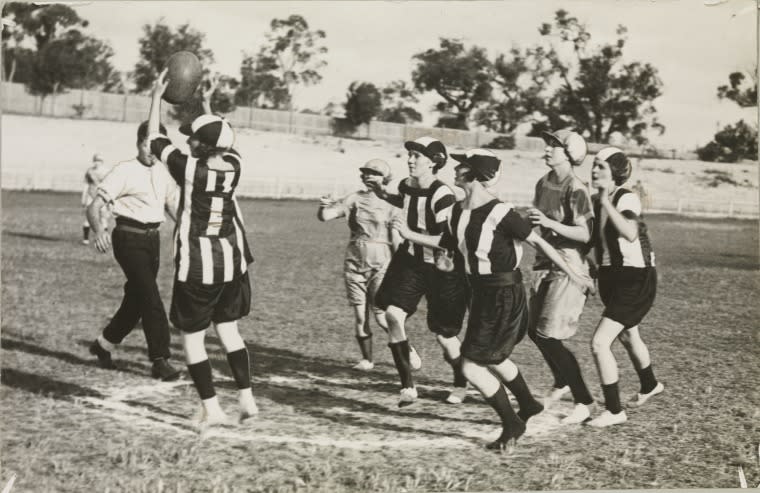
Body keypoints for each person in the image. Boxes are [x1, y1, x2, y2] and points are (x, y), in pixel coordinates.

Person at [391, 148, 594, 450]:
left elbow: (539, 242)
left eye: (461, 166)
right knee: (493, 357)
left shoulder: (501, 213)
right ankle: (528, 404)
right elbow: (446, 243)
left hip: (504, 295)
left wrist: (575, 275)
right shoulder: (458, 210)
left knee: (471, 367)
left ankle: (511, 423)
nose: (455, 170)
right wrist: (417, 240)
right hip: (481, 293)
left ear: (472, 175)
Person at [147, 70, 258, 426]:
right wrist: (208, 105)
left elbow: (154, 137)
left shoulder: (190, 169)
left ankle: (212, 410)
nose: (188, 142)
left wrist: (154, 98)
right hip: (232, 264)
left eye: (193, 139)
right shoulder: (235, 166)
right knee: (229, 332)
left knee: (192, 340)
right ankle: (247, 400)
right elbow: (220, 136)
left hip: (198, 267)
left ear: (200, 145)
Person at [365, 137, 469, 407]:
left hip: (443, 267)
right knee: (391, 314)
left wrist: (408, 233)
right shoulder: (407, 185)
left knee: (445, 337)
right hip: (411, 261)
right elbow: (401, 200)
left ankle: (461, 383)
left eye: (416, 156)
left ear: (434, 162)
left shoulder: (442, 195)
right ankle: (408, 386)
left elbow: (448, 241)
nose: (410, 160)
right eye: (409, 155)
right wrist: (380, 191)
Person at [86, 123, 182, 382]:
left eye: (156, 147)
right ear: (137, 143)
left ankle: (103, 344)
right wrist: (99, 231)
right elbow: (94, 207)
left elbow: (173, 206)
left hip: (153, 241)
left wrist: (187, 229)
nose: (151, 152)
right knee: (151, 297)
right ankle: (160, 361)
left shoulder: (164, 173)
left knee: (137, 301)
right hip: (128, 238)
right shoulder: (124, 170)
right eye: (145, 145)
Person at [317, 159, 422, 371]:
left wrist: (400, 268)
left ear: (385, 178)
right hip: (354, 262)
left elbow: (397, 239)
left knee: (382, 316)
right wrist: (323, 206)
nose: (368, 175)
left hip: (382, 263)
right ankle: (367, 360)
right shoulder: (354, 198)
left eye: (374, 173)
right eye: (365, 172)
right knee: (359, 315)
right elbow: (326, 217)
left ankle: (408, 350)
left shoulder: (393, 203)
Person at [587, 147, 664, 428]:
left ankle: (614, 410)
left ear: (616, 172)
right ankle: (650, 385)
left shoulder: (625, 197)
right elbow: (595, 240)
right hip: (612, 276)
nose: (594, 170)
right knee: (629, 336)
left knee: (599, 343)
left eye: (601, 167)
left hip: (635, 277)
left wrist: (606, 201)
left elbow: (630, 232)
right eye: (593, 165)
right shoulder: (598, 200)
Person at [526, 129, 597, 425]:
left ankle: (584, 401)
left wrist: (548, 222)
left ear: (569, 154)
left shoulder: (576, 188)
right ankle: (562, 380)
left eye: (553, 147)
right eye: (547, 146)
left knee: (548, 335)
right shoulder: (543, 182)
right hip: (546, 260)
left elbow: (585, 233)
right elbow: (540, 221)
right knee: (534, 329)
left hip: (569, 263)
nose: (546, 151)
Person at [81, 153, 111, 245]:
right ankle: (85, 239)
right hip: (91, 196)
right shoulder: (90, 171)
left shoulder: (106, 171)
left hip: (101, 197)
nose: (97, 163)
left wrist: (109, 199)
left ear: (102, 162)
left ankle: (104, 239)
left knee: (103, 218)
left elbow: (109, 186)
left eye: (99, 161)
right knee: (89, 217)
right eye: (96, 160)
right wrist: (83, 197)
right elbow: (86, 185)